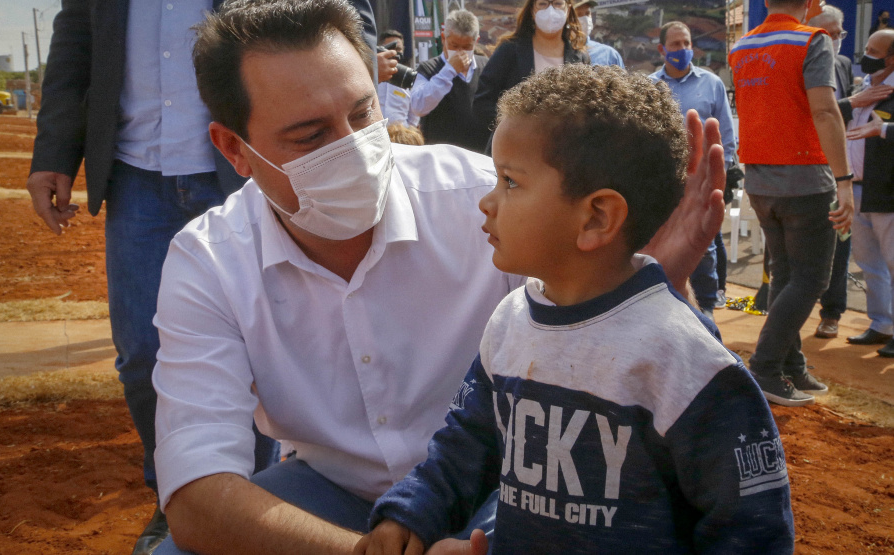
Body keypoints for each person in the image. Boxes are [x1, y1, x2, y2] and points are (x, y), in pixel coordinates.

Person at [150, 1, 727, 553]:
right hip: (333, 493)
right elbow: (197, 494)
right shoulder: (210, 262)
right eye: (310, 136)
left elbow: (618, 368)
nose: (354, 150)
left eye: (362, 114)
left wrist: (647, 280)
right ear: (235, 149)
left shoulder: (490, 203)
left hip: (510, 483)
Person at [356, 64, 794, 555]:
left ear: (597, 217)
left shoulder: (685, 361)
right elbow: (467, 444)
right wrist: (411, 514)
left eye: (509, 182)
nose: (486, 202)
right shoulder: (510, 321)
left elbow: (751, 528)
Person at [20, 0, 376, 551]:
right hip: (139, 169)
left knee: (275, 346)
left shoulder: (461, 196)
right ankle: (185, 493)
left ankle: (257, 496)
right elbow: (76, 43)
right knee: (143, 353)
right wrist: (55, 151)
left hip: (267, 160)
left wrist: (344, 120)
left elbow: (345, 19)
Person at [729, 0, 855, 407]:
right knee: (811, 279)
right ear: (809, 3)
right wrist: (845, 181)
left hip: (761, 181)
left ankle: (790, 364)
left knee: (785, 275)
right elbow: (826, 112)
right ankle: (766, 367)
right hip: (805, 180)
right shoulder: (811, 40)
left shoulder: (742, 46)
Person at [650, 21, 736, 322]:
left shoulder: (711, 83)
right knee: (660, 237)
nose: (683, 49)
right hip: (660, 179)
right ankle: (662, 296)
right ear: (662, 49)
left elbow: (726, 134)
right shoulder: (650, 86)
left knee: (704, 241)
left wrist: (724, 172)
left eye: (686, 43)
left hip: (701, 179)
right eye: (675, 44)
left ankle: (707, 304)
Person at [838, 29, 894, 355]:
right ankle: (882, 324)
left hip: (887, 191)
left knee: (893, 262)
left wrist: (883, 129)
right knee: (869, 263)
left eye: (874, 51)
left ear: (891, 58)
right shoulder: (862, 87)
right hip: (856, 189)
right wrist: (853, 103)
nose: (866, 55)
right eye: (867, 48)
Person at [473, 0, 591, 153]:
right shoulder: (510, 50)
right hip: (515, 151)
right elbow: (482, 102)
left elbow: (586, 108)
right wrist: (515, 127)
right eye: (543, 4)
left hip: (563, 153)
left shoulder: (580, 58)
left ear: (568, 9)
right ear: (532, 10)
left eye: (557, 3)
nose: (550, 10)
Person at [807, 4, 855, 338]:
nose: (835, 40)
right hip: (807, 166)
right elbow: (817, 112)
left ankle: (832, 312)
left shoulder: (843, 64)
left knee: (841, 239)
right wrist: (855, 102)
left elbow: (837, 117)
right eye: (830, 34)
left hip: (839, 166)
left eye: (839, 34)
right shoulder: (802, 59)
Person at [409, 9, 490, 151]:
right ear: (443, 39)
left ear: (476, 42)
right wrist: (449, 71)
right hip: (442, 155)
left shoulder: (486, 66)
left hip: (479, 154)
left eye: (467, 47)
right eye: (454, 46)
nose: (460, 52)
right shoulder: (428, 69)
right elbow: (418, 106)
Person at [376, 30, 420, 128]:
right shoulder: (372, 75)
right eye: (391, 48)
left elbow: (414, 116)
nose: (395, 52)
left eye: (398, 49)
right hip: (375, 133)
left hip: (400, 134)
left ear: (403, 49)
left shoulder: (409, 78)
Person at [573, 0, 625, 68]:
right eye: (578, 14)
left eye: (587, 14)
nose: (585, 19)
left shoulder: (609, 55)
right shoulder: (559, 54)